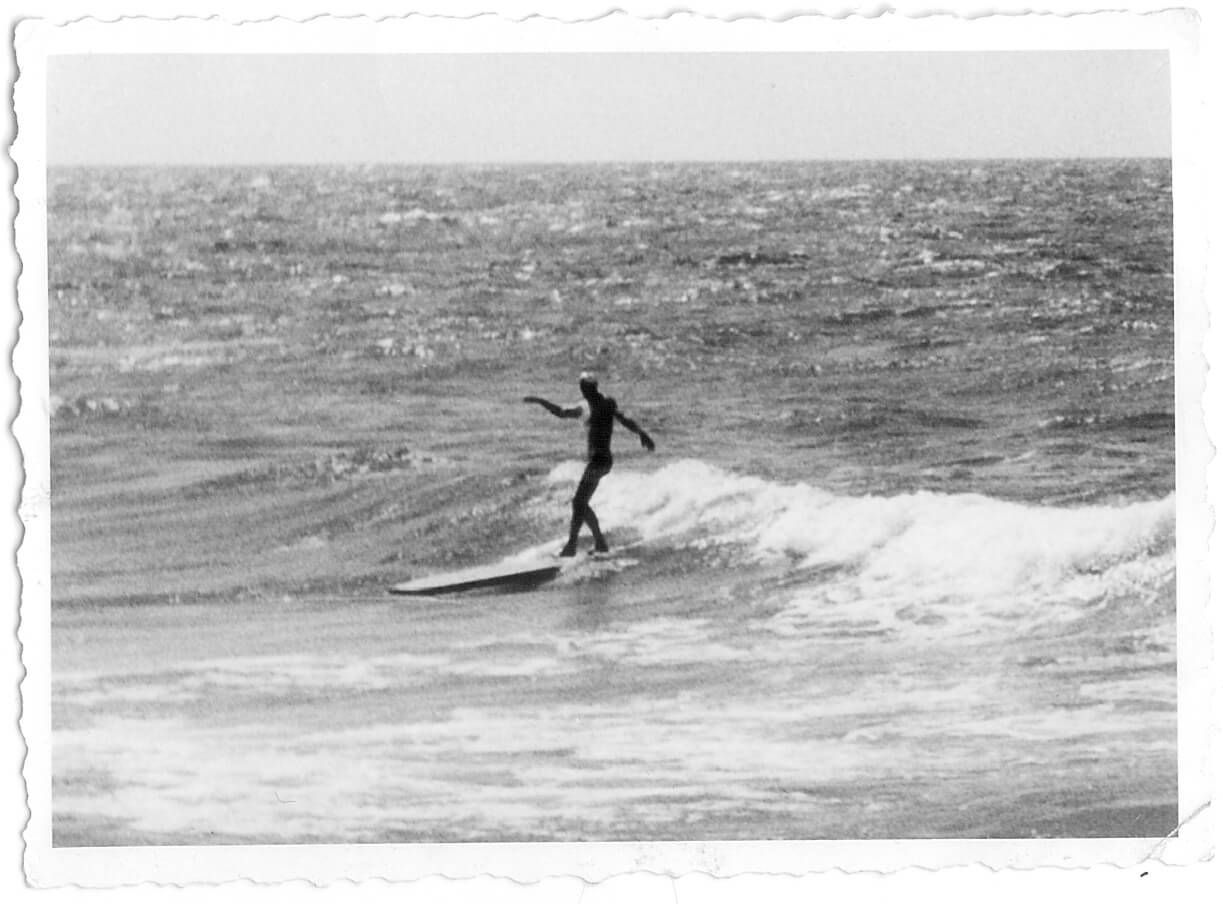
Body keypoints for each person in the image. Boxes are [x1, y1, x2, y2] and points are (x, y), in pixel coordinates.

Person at [523, 372, 656, 557]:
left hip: (597, 462)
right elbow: (625, 420)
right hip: (605, 461)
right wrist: (642, 433)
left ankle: (573, 546)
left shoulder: (585, 407)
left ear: (584, 388)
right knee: (580, 503)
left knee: (579, 502)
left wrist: (540, 401)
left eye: (582, 387)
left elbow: (561, 412)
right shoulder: (608, 403)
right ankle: (598, 543)